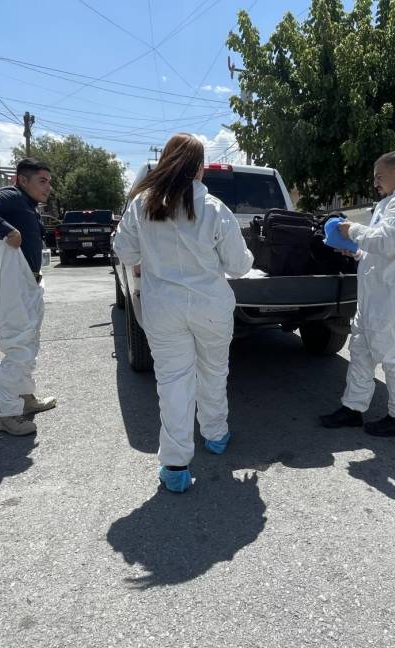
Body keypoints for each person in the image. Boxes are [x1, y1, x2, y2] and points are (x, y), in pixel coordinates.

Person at [112, 134, 253, 493]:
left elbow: (123, 250)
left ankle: (175, 464)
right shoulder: (215, 209)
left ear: (166, 162)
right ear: (199, 168)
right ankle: (216, 433)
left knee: (173, 382)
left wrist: (144, 261)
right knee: (213, 371)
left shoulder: (141, 205)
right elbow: (238, 266)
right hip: (210, 307)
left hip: (162, 308)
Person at [319, 151, 395, 437]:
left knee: (393, 359)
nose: (375, 183)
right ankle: (353, 409)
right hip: (374, 298)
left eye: (379, 176)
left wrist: (351, 229)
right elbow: (379, 250)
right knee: (360, 356)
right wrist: (357, 252)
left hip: (391, 301)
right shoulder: (390, 203)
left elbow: (387, 242)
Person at [0, 158, 57, 437]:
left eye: (49, 181)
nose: (48, 187)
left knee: (29, 343)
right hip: (14, 285)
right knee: (18, 345)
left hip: (28, 282)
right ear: (22, 180)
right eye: (42, 181)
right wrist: (8, 230)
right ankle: (7, 414)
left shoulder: (27, 205)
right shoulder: (12, 196)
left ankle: (24, 397)